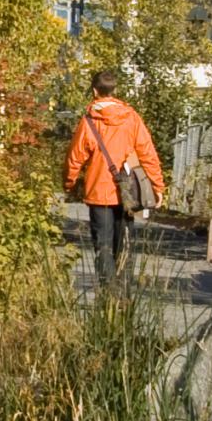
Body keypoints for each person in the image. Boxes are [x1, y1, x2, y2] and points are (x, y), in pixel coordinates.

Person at [63, 69, 165, 284]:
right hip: (128, 190)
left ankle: (108, 292)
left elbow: (75, 157)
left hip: (99, 191)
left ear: (94, 91)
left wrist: (69, 183)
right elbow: (148, 153)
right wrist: (157, 186)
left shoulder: (89, 122)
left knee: (103, 245)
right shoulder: (131, 117)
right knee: (124, 244)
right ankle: (124, 292)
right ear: (114, 90)